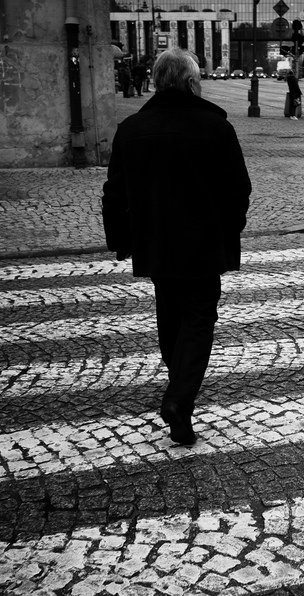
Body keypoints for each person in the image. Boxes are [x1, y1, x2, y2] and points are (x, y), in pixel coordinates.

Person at [101, 48, 252, 446]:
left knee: (170, 318)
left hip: (154, 244)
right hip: (202, 246)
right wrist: (228, 231)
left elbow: (114, 193)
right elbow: (239, 191)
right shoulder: (216, 128)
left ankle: (177, 385)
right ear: (189, 83)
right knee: (199, 322)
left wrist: (121, 239)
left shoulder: (131, 129)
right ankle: (179, 400)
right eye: (198, 81)